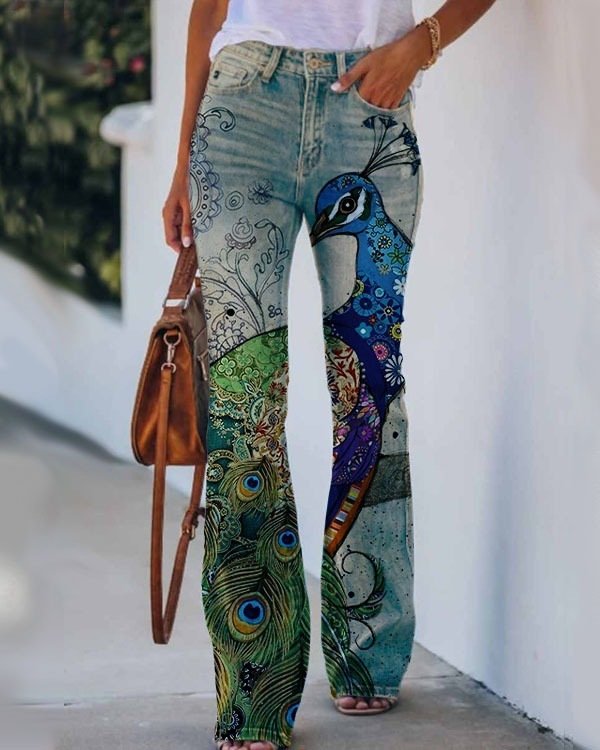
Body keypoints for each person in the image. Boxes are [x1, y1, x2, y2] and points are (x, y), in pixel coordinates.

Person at [162, 1, 496, 748]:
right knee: (246, 402)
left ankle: (367, 649)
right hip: (243, 111)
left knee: (369, 396)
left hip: (369, 114)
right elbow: (208, 8)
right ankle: (257, 686)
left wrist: (421, 45)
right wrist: (182, 157)